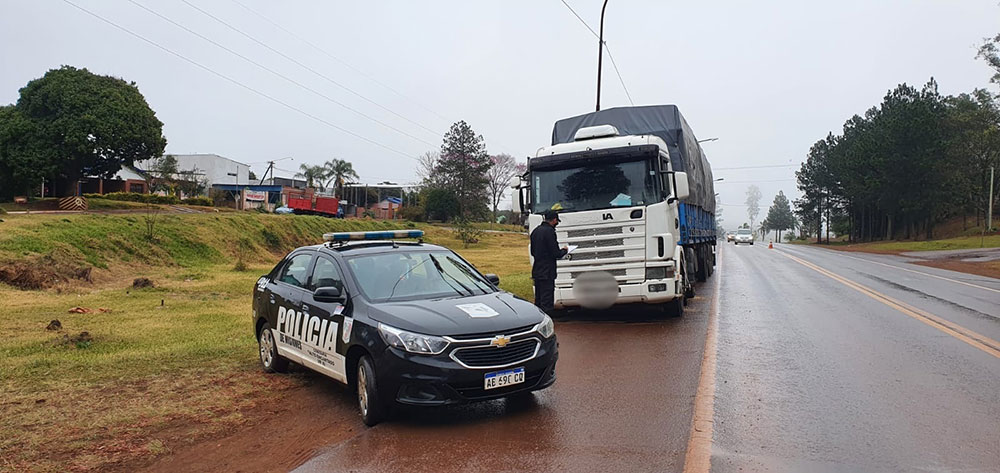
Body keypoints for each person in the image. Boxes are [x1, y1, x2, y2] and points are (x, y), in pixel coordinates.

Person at [530, 210, 568, 313]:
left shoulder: (535, 231)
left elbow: (533, 252)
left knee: (539, 297)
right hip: (547, 271)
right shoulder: (550, 232)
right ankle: (548, 317)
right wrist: (564, 250)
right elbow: (555, 253)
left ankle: (539, 315)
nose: (557, 223)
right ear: (554, 220)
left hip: (537, 269)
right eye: (557, 221)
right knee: (547, 298)